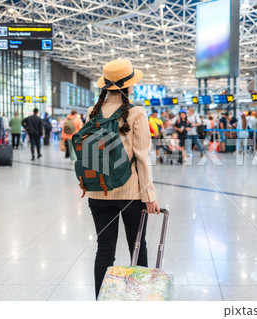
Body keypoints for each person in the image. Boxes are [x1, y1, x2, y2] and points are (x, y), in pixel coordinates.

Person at [86, 58, 159, 299]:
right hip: (132, 193)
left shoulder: (92, 112)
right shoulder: (137, 112)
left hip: (99, 191)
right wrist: (149, 195)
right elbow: (141, 156)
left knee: (104, 251)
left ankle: (102, 300)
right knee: (137, 247)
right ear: (128, 86)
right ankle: (140, 299)